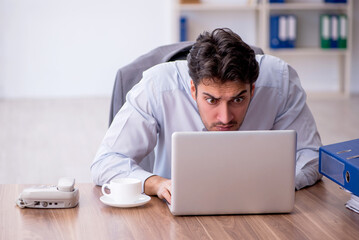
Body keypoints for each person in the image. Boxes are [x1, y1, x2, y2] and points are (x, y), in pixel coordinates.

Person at [91, 28, 322, 204]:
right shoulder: (157, 86)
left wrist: (279, 183)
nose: (224, 117)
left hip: (258, 207)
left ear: (252, 89)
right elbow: (105, 162)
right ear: (193, 89)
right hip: (176, 213)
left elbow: (311, 154)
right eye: (212, 100)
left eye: (238, 99)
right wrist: (156, 184)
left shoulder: (280, 80)